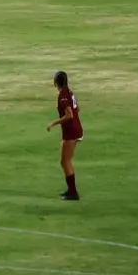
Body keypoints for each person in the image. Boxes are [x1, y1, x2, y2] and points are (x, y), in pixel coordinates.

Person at [46, 71, 83, 201]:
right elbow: (77, 109)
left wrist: (53, 123)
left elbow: (69, 115)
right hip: (76, 128)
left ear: (55, 81)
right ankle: (71, 190)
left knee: (65, 161)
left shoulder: (62, 95)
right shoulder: (69, 91)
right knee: (66, 161)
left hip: (70, 131)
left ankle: (73, 192)